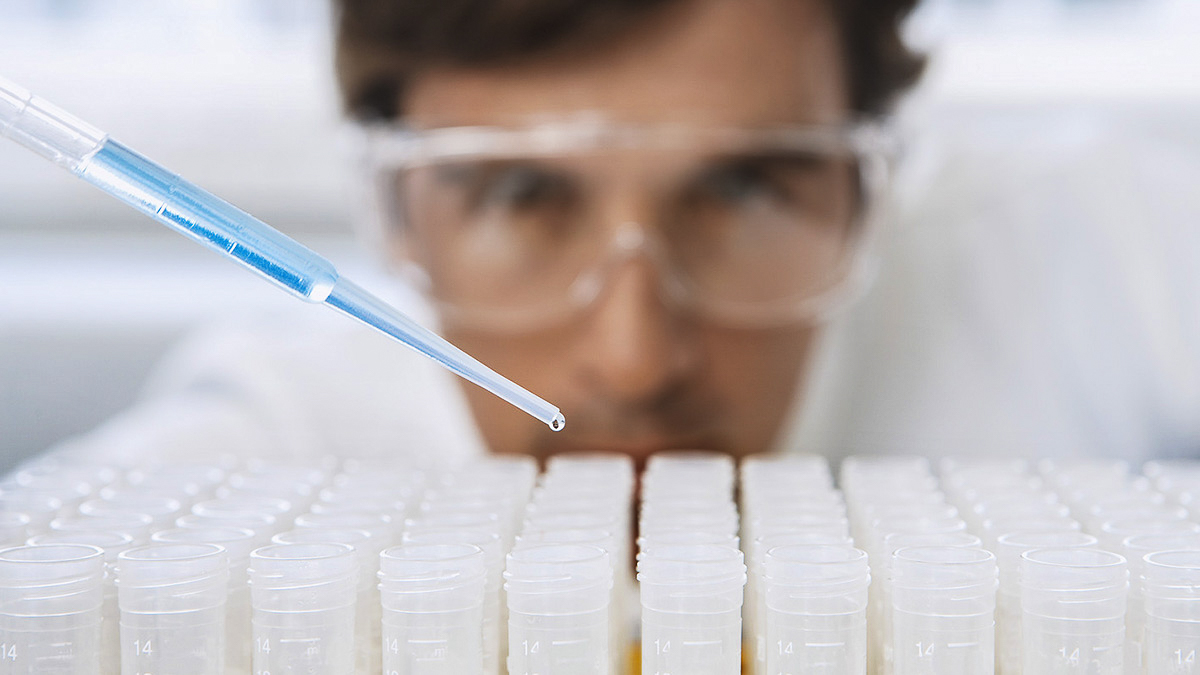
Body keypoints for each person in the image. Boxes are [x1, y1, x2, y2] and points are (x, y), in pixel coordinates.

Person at [52, 0, 925, 471]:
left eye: (742, 190)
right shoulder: (266, 464)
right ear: (399, 210)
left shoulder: (1002, 331)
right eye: (520, 194)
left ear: (866, 192)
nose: (636, 362)